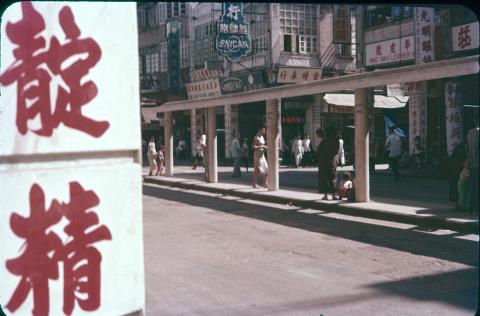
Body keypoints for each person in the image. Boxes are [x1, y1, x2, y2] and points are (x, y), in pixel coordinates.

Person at [317, 126, 339, 200]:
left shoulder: (324, 141)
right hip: (332, 161)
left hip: (323, 162)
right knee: (333, 178)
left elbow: (318, 151)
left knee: (324, 178)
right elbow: (336, 151)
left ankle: (325, 195)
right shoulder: (336, 141)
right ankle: (333, 195)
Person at [466, 113, 479, 213]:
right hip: (478, 163)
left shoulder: (470, 132)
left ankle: (471, 208)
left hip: (471, 163)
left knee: (473, 185)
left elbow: (468, 149)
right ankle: (475, 208)